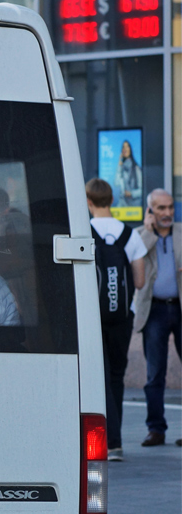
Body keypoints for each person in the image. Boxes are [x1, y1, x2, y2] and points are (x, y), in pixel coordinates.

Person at [88, 178, 147, 461]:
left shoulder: (84, 233)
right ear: (111, 200)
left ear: (88, 202)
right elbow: (139, 280)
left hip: (94, 318)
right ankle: (117, 442)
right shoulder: (130, 235)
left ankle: (107, 443)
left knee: (99, 378)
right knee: (116, 378)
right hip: (122, 318)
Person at [132, 188, 182, 447]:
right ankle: (156, 429)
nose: (167, 213)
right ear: (150, 210)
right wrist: (149, 232)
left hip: (181, 309)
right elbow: (136, 263)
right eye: (161, 208)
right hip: (154, 311)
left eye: (170, 207)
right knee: (155, 373)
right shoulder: (140, 237)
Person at [114, 140, 143, 211]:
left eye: (127, 147)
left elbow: (142, 190)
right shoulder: (121, 168)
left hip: (134, 206)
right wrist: (119, 165)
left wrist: (131, 193)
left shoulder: (136, 168)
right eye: (123, 147)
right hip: (123, 204)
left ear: (130, 149)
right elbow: (116, 183)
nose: (125, 149)